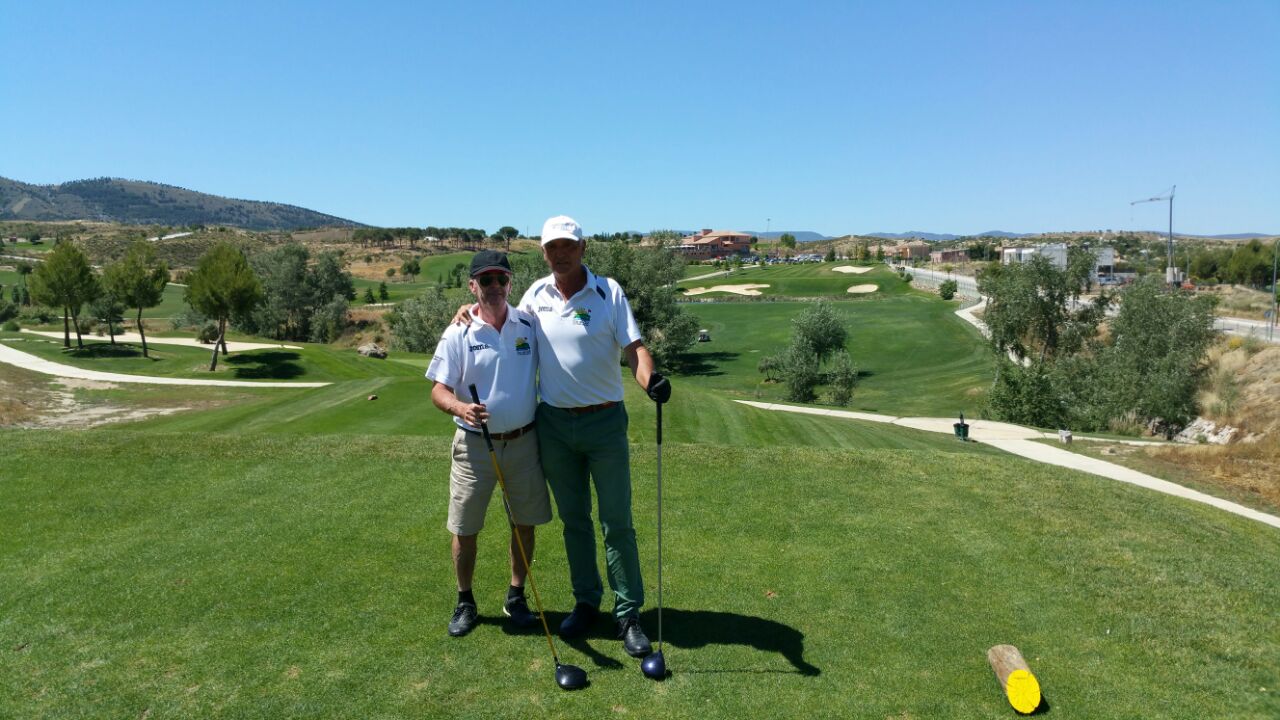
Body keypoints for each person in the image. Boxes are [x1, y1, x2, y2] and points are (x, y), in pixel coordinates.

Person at [520, 215, 672, 658]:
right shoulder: (534, 296)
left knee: (616, 521)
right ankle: (586, 601)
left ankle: (628, 613)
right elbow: (506, 330)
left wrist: (649, 381)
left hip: (604, 423)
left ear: (583, 248)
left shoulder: (609, 291)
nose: (560, 254)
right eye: (553, 247)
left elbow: (634, 348)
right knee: (575, 521)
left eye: (568, 246)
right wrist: (468, 312)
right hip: (553, 425)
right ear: (543, 253)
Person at [426, 250, 551, 638]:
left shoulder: (529, 323)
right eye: (486, 280)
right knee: (465, 527)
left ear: (510, 284)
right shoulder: (458, 333)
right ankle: (465, 600)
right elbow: (438, 390)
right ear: (472, 285)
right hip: (474, 447)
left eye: (501, 279)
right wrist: (460, 407)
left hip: (524, 442)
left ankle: (516, 596)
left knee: (524, 523)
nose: (494, 286)